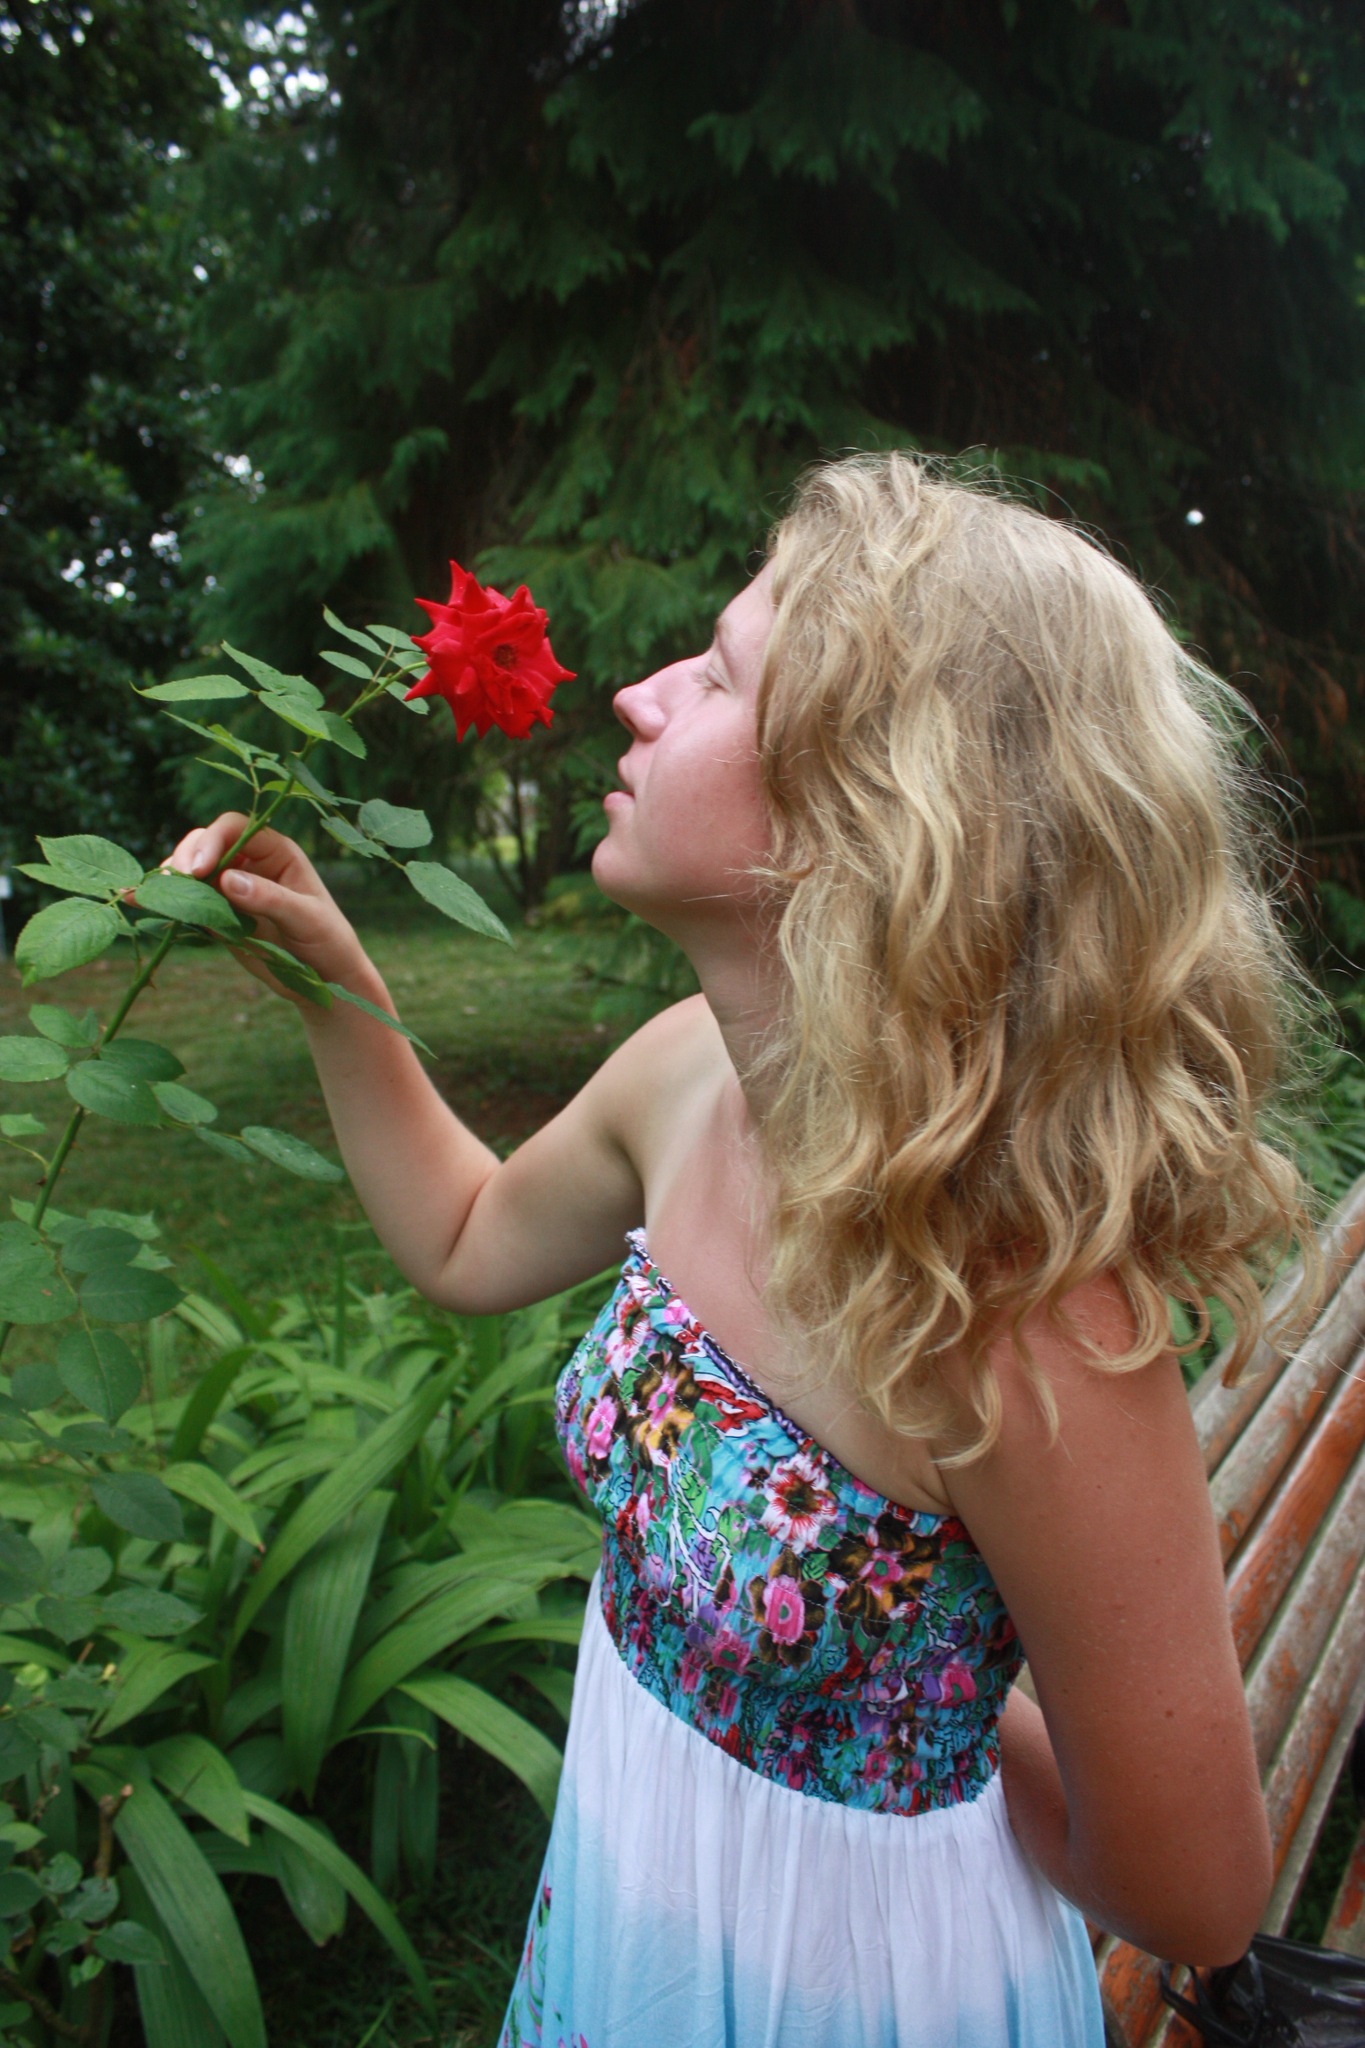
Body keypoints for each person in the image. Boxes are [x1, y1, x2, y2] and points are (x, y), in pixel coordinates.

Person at [168, 453, 1316, 2048]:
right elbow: (466, 1236)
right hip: (626, 1902)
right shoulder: (689, 1075)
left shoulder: (1010, 1310)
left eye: (712, 676)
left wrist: (918, 1714)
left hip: (857, 1986)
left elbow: (1194, 1895)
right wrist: (336, 986)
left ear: (873, 817)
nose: (635, 696)